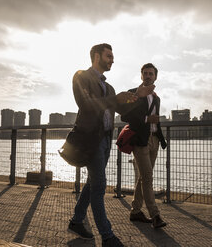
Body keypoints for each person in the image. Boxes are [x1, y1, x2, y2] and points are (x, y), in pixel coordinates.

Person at [67, 43, 154, 246]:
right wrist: (115, 98)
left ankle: (76, 221)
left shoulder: (110, 87)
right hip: (91, 140)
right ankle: (107, 236)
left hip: (106, 140)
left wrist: (137, 97)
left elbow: (121, 108)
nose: (112, 60)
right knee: (99, 186)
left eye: (112, 56)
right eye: (108, 56)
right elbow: (85, 104)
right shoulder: (82, 77)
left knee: (92, 183)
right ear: (96, 56)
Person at [121, 63, 167, 228]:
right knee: (148, 178)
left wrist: (161, 139)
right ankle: (155, 215)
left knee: (143, 178)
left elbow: (155, 121)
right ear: (141, 76)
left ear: (155, 77)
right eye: (145, 73)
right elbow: (124, 116)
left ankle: (135, 212)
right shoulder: (134, 93)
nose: (148, 76)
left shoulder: (156, 98)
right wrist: (147, 120)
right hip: (140, 141)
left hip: (154, 140)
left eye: (151, 74)